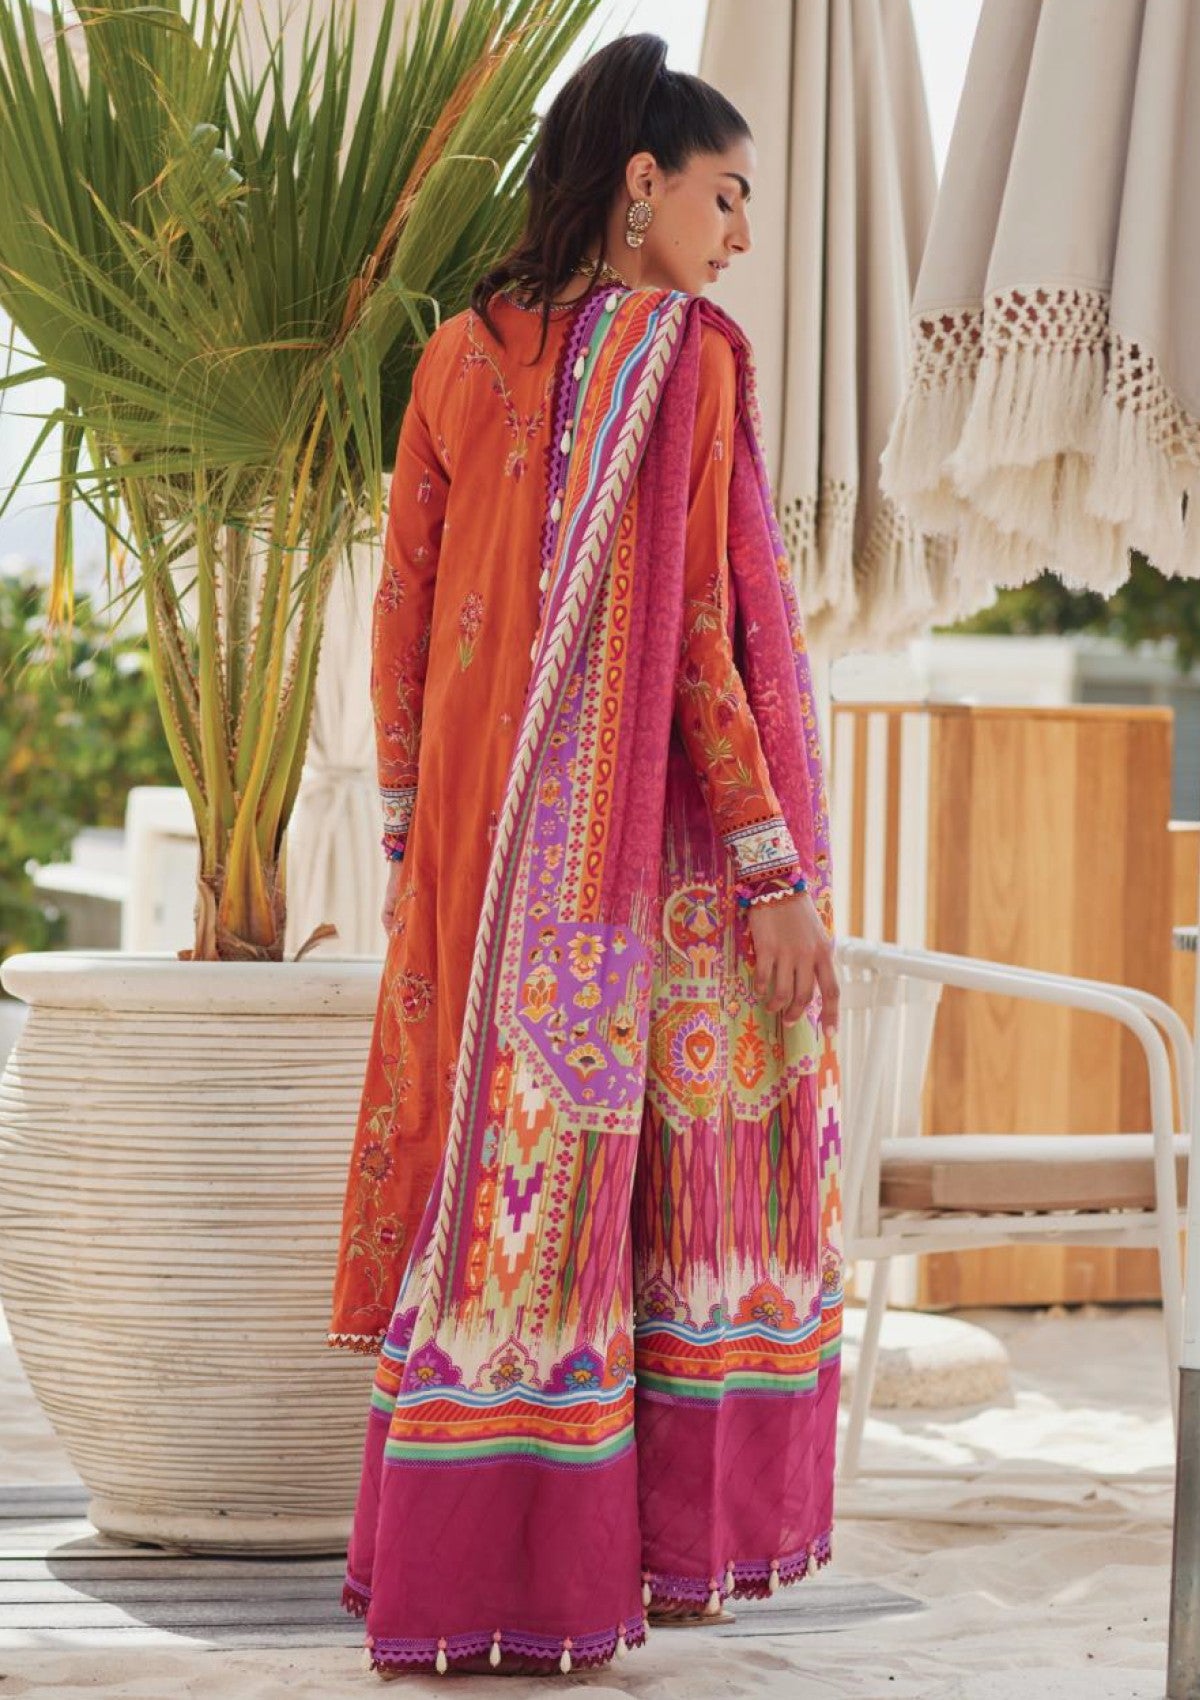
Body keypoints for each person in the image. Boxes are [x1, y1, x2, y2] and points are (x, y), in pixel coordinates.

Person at [329, 30, 842, 1680]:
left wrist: (413, 839)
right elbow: (700, 639)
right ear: (641, 184)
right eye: (725, 195)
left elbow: (401, 620)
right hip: (635, 863)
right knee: (659, 1195)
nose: (740, 233)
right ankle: (626, 1569)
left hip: (468, 865)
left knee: (502, 1207)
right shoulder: (684, 355)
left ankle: (461, 1577)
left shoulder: (451, 356)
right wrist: (773, 873)